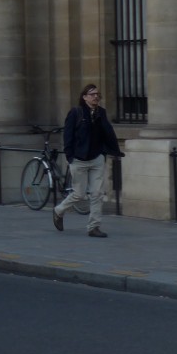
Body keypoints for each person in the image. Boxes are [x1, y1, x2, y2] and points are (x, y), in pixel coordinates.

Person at [53, 83, 125, 238]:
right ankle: (59, 210)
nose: (96, 97)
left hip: (96, 158)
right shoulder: (76, 112)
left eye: (98, 94)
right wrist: (70, 157)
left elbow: (107, 132)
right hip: (79, 159)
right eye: (92, 94)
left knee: (97, 193)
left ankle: (94, 227)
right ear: (84, 97)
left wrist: (108, 152)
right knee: (79, 194)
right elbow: (68, 136)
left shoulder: (101, 112)